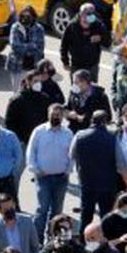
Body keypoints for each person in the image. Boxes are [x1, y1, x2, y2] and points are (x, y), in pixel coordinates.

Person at [71, 110, 127, 229]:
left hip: (86, 183)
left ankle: (84, 241)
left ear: (92, 120)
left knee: (86, 216)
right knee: (106, 217)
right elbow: (122, 165)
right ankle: (105, 243)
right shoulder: (112, 138)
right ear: (105, 122)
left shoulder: (80, 135)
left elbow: (71, 155)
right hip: (107, 185)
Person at [27, 103, 74, 243]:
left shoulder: (68, 133)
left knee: (57, 211)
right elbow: (31, 151)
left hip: (61, 178)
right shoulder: (39, 131)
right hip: (43, 177)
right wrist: (35, 169)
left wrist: (68, 170)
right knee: (42, 209)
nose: (56, 117)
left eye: (59, 115)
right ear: (48, 115)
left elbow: (72, 155)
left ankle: (53, 240)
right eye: (53, 114)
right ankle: (37, 241)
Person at [60, 3, 108, 79]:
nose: (86, 22)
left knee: (92, 89)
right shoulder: (72, 26)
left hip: (92, 65)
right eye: (84, 17)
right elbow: (64, 45)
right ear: (80, 15)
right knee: (76, 89)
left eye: (89, 18)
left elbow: (108, 42)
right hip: (76, 64)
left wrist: (101, 38)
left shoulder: (98, 25)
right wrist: (65, 62)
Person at [8, 71, 53, 146]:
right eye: (35, 81)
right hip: (23, 141)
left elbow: (48, 119)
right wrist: (18, 139)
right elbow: (9, 123)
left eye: (39, 81)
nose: (38, 83)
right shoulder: (16, 100)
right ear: (28, 82)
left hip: (41, 140)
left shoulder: (45, 98)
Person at [6, 8, 45, 91]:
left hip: (34, 65)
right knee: (18, 91)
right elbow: (15, 46)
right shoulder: (15, 27)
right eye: (23, 16)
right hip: (17, 66)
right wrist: (31, 46)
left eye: (29, 16)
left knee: (35, 91)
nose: (25, 19)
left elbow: (40, 48)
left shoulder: (39, 29)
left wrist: (25, 48)